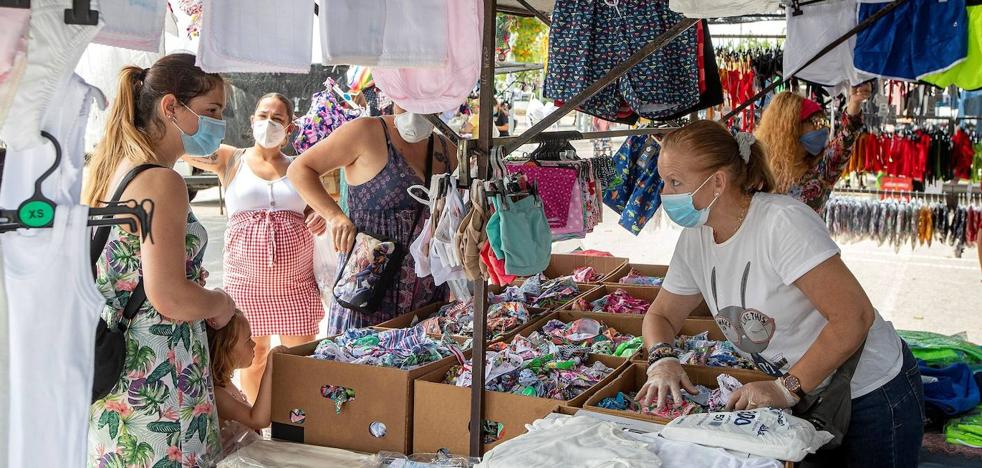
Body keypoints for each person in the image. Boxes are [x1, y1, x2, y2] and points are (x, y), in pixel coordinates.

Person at [640, 121, 923, 467]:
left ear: (717, 181)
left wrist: (785, 388)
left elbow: (854, 317)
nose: (664, 194)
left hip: (870, 394)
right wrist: (662, 359)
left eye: (675, 183)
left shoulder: (782, 223)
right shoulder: (696, 239)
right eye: (663, 181)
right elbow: (662, 315)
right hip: (810, 395)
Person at [83, 53, 236, 466]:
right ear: (171, 107)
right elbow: (168, 293)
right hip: (160, 387)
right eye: (211, 110)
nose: (218, 123)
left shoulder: (113, 170)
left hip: (119, 384)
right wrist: (221, 303)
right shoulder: (163, 181)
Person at [181, 93, 325, 403]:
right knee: (252, 357)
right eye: (263, 115)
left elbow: (316, 207)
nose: (268, 123)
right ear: (252, 120)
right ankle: (256, 426)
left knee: (298, 360)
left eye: (277, 118)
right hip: (247, 285)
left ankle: (295, 424)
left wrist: (317, 216)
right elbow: (181, 147)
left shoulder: (302, 167)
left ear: (289, 129)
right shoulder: (230, 159)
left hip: (295, 285)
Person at [288, 106, 456, 335]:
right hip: (368, 289)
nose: (417, 106)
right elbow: (300, 169)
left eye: (427, 99)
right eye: (409, 96)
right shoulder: (366, 131)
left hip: (426, 293)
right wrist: (335, 216)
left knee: (419, 366)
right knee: (359, 364)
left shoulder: (447, 148)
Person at [754, 84, 871, 213]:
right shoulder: (758, 166)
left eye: (824, 123)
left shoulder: (823, 169)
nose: (823, 129)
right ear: (791, 127)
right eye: (816, 122)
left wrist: (854, 102)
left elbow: (848, 135)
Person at [206, 310, 286, 453]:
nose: (254, 344)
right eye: (248, 340)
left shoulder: (226, 383)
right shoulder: (218, 394)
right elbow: (258, 420)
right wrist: (269, 369)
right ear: (226, 349)